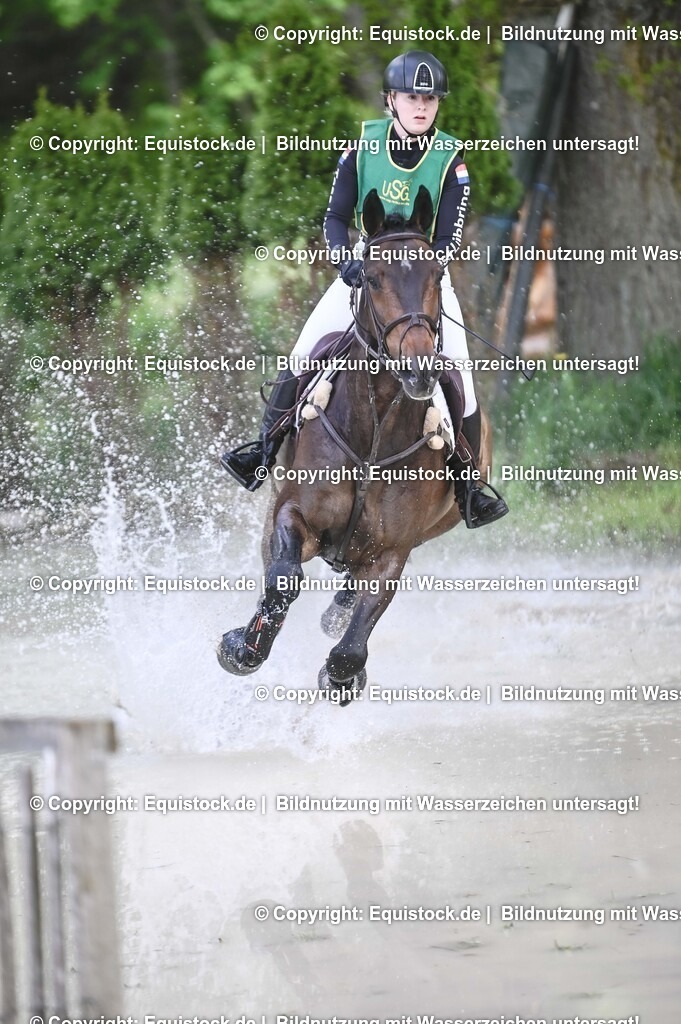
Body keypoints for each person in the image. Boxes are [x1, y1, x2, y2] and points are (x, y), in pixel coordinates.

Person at [221, 50, 508, 528]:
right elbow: (335, 217)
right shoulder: (361, 151)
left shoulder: (451, 162)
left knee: (461, 380)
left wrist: (421, 273)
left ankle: (470, 489)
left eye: (431, 99)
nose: (422, 106)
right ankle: (264, 451)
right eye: (412, 97)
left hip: (423, 282)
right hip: (364, 274)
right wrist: (346, 262)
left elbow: (448, 237)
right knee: (301, 356)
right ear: (391, 100)